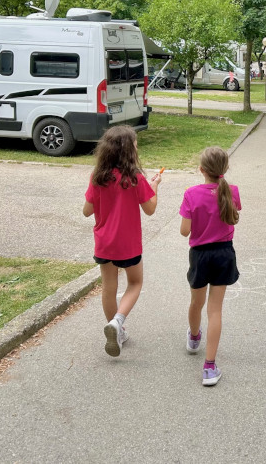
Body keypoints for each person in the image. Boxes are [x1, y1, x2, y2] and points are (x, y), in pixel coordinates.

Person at [83, 126, 161, 358]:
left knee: (109, 287)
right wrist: (154, 187)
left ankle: (116, 331)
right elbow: (150, 209)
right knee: (135, 283)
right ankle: (117, 322)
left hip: (104, 243)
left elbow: (87, 211)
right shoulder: (135, 178)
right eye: (136, 145)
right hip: (128, 244)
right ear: (129, 150)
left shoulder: (98, 177)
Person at [179, 146, 242, 386]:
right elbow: (232, 215)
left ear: (201, 169)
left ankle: (194, 337)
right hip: (224, 253)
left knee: (197, 302)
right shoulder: (232, 191)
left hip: (200, 255)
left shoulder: (191, 194)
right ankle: (209, 367)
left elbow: (184, 231)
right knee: (215, 310)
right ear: (225, 168)